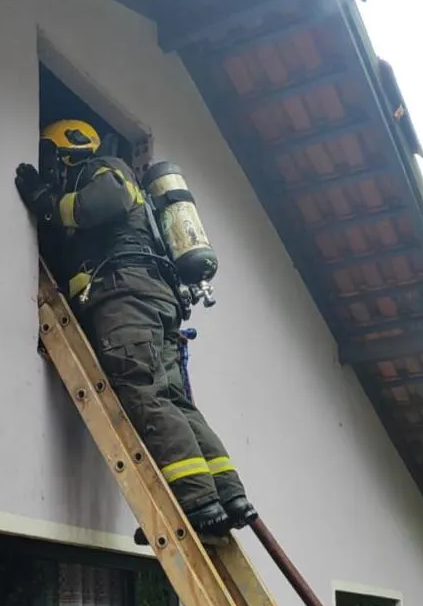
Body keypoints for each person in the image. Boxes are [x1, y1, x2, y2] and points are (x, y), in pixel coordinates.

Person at [14, 118, 257, 537]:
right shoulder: (121, 194)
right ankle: (228, 495)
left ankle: (194, 500)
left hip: (127, 299)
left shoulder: (104, 169)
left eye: (51, 155)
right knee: (175, 400)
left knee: (144, 394)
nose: (50, 166)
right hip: (153, 301)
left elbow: (104, 201)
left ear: (67, 150)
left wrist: (49, 203)